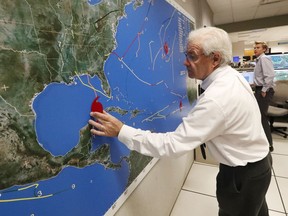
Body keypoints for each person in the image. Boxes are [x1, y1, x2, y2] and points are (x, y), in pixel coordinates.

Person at [89, 27, 272, 216]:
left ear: (215, 59)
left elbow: (172, 146)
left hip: (243, 175)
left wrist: (121, 131)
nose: (185, 62)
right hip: (258, 166)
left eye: (192, 56)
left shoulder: (217, 98)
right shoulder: (231, 76)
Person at [253, 41, 275, 152]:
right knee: (259, 116)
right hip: (260, 89)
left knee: (262, 117)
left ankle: (269, 144)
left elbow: (270, 75)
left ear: (264, 49)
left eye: (258, 47)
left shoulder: (264, 59)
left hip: (264, 91)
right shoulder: (259, 60)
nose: (255, 49)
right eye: (254, 47)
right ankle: (262, 141)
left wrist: (264, 90)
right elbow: (261, 77)